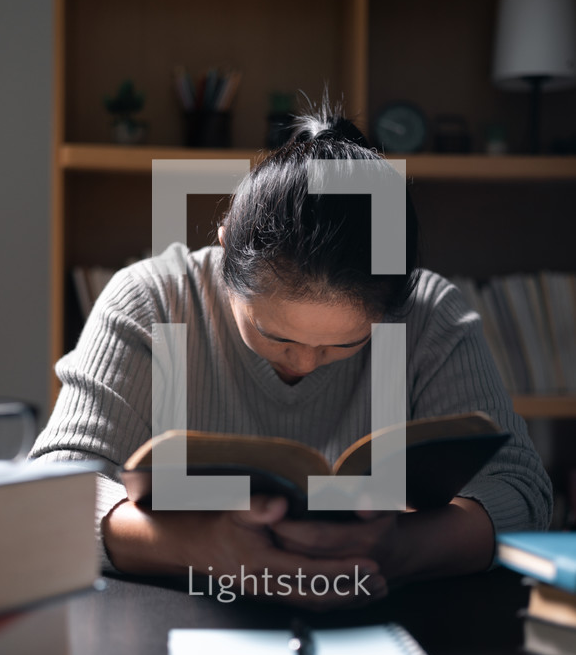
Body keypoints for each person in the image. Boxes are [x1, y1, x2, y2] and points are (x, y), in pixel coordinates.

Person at [30, 107, 552, 611]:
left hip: (383, 617)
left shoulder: (430, 314)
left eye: (343, 345)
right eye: (272, 333)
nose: (303, 363)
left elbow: (522, 491)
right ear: (226, 243)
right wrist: (198, 547)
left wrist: (401, 549)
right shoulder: (151, 300)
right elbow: (52, 493)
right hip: (173, 618)